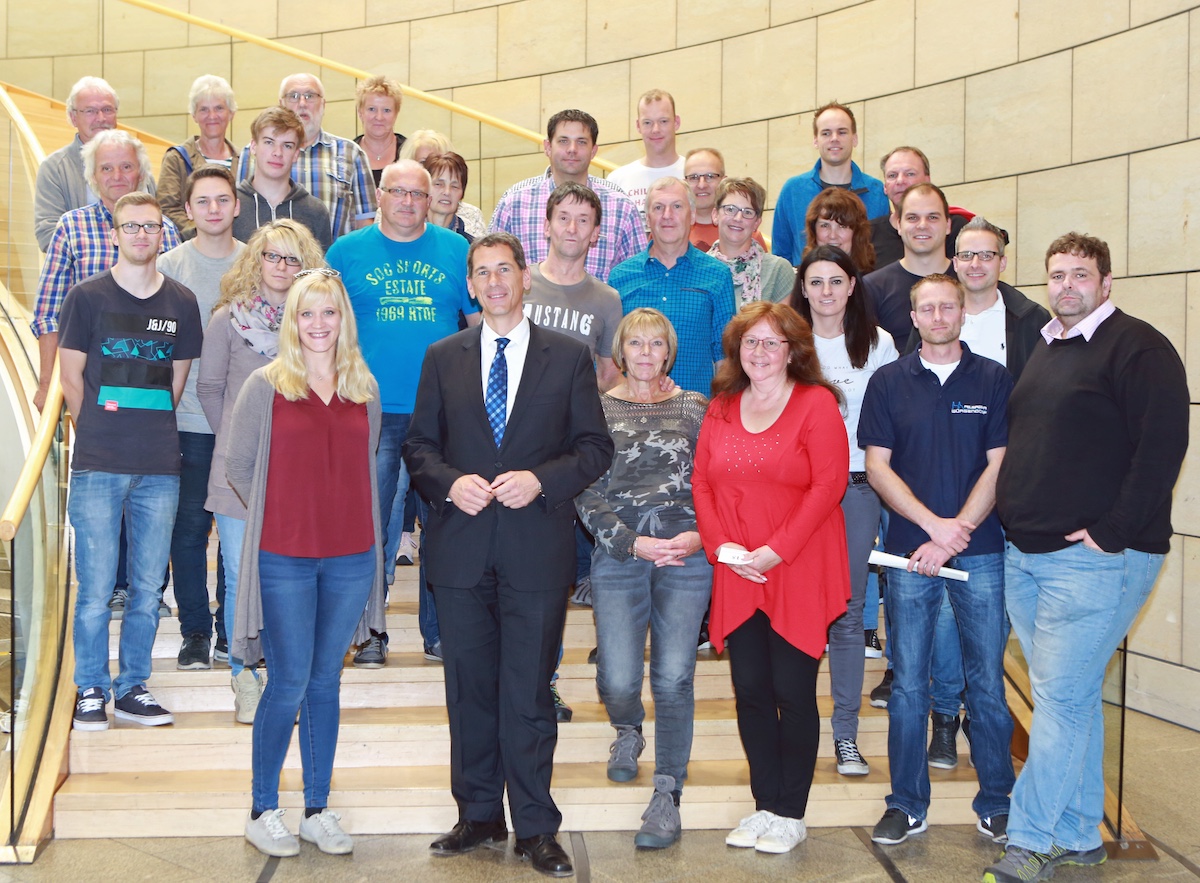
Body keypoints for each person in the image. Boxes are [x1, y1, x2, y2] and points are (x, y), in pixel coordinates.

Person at [404, 232, 613, 879]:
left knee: (527, 692)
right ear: (470, 284)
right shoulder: (443, 356)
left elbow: (593, 447)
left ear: (524, 278)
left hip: (535, 550)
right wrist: (447, 481)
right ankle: (477, 814)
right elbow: (418, 447)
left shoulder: (570, 356)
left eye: (505, 270)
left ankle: (535, 823)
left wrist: (542, 479)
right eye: (482, 272)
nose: (494, 281)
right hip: (462, 551)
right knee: (468, 690)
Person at [986, 233, 1189, 883]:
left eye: (1081, 274)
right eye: (1057, 274)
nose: (1067, 284)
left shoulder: (1139, 348)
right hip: (1030, 556)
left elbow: (1162, 445)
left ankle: (1030, 838)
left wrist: (1113, 530)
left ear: (1106, 284)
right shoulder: (1048, 345)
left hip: (1097, 559)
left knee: (1061, 699)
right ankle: (1078, 833)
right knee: (1068, 700)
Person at [227, 270, 385, 858]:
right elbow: (239, 468)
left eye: (329, 313)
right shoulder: (266, 386)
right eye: (306, 314)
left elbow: (362, 470)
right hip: (284, 558)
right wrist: (285, 514)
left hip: (349, 558)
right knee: (288, 681)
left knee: (325, 681)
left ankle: (316, 807)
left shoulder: (363, 388)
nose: (319, 325)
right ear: (291, 321)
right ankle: (262, 808)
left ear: (344, 320)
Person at [858, 274, 1015, 848]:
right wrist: (933, 528)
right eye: (928, 308)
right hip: (907, 554)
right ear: (915, 318)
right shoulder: (888, 381)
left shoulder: (995, 380)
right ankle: (906, 804)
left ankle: (997, 801)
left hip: (983, 552)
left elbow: (1000, 466)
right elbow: (877, 467)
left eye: (949, 306)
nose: (939, 315)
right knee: (908, 688)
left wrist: (957, 533)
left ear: (961, 314)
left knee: (987, 685)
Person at [692, 301, 850, 855]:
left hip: (797, 565)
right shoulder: (721, 406)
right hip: (739, 568)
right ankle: (764, 805)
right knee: (751, 692)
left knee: (793, 692)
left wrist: (774, 552)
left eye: (771, 343)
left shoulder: (816, 405)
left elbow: (827, 488)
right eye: (750, 342)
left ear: (793, 351)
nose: (759, 352)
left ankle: (792, 811)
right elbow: (703, 486)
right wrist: (723, 549)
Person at [326, 159, 480, 668]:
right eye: (399, 192)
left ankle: (440, 633)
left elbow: (481, 327)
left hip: (443, 413)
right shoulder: (346, 253)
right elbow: (324, 331)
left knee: (446, 524)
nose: (409, 202)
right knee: (371, 524)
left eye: (419, 193)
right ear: (379, 195)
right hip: (371, 411)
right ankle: (370, 629)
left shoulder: (458, 251)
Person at [62, 191, 202, 733]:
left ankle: (132, 686)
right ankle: (91, 687)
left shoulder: (183, 303)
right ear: (115, 233)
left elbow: (176, 383)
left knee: (147, 589)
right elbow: (71, 379)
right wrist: (98, 428)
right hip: (98, 462)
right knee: (96, 589)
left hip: (160, 465)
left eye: (150, 226)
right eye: (130, 226)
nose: (141, 234)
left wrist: (140, 429)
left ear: (162, 234)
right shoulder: (87, 298)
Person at [575, 307, 711, 849]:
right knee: (617, 679)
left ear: (669, 351)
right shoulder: (597, 409)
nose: (647, 353)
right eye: (637, 344)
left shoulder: (697, 407)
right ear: (621, 351)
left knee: (675, 677)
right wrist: (630, 542)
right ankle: (627, 730)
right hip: (621, 553)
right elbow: (585, 490)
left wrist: (701, 535)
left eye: (657, 344)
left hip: (687, 554)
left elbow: (717, 481)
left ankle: (667, 793)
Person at [197, 220, 326, 724]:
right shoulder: (228, 320)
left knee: (287, 578)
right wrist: (236, 440)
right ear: (256, 260)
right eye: (273, 257)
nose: (282, 267)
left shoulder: (316, 323)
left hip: (300, 476)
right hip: (237, 476)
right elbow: (209, 389)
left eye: (293, 259)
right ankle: (243, 674)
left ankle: (283, 676)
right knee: (238, 574)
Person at [790, 244, 898, 777]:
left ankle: (846, 735)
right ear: (802, 288)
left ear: (853, 285)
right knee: (797, 612)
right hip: (796, 492)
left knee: (849, 612)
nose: (827, 292)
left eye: (837, 281)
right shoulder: (787, 340)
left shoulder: (878, 344)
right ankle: (797, 730)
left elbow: (893, 421)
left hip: (856, 491)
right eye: (816, 282)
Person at [158, 166, 245, 672]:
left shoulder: (257, 264)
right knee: (189, 530)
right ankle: (195, 631)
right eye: (203, 201)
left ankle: (230, 629)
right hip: (188, 421)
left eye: (223, 199)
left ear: (237, 206)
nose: (214, 209)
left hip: (244, 426)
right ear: (188, 210)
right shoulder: (170, 266)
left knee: (236, 533)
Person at [33, 129, 181, 412]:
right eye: (106, 168)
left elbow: (176, 313)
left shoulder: (166, 231)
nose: (117, 176)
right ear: (93, 177)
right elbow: (48, 314)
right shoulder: (71, 228)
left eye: (126, 166)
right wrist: (47, 385)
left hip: (150, 386)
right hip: (86, 381)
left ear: (141, 174)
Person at [610, 177, 735, 394]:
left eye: (677, 206)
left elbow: (725, 356)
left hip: (698, 414)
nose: (667, 216)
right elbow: (608, 357)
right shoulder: (620, 277)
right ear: (648, 219)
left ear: (693, 215)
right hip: (633, 414)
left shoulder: (718, 275)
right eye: (658, 207)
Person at [490, 109, 647, 282]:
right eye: (563, 141)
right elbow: (491, 269)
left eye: (581, 142)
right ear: (548, 147)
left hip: (599, 308)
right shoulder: (514, 204)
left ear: (593, 151)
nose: (572, 149)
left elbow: (638, 277)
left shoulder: (621, 208)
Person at [235, 74, 377, 240]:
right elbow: (242, 207)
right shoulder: (249, 154)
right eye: (293, 96)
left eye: (310, 96)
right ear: (281, 103)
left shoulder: (351, 153)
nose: (302, 104)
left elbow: (365, 228)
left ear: (323, 104)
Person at [33, 76, 154, 251]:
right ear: (73, 117)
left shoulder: (137, 161)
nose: (101, 118)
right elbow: (48, 234)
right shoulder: (55, 168)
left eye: (107, 109)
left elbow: (156, 220)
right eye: (90, 111)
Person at [771, 102, 888, 264]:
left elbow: (882, 256)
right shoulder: (792, 191)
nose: (834, 139)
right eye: (826, 133)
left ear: (854, 139)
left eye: (842, 132)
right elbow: (781, 256)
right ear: (815, 140)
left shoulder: (877, 192)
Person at [864, 182, 954, 351]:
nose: (922, 225)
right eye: (912, 218)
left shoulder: (967, 282)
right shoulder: (872, 288)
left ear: (948, 225)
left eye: (932, 217)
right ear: (898, 225)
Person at [232, 108, 332, 251]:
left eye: (287, 146)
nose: (277, 153)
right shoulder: (231, 207)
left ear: (296, 154)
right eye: (269, 142)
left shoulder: (315, 212)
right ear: (253, 146)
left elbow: (321, 271)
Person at [158, 75, 238, 239]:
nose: (212, 116)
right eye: (204, 109)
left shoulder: (246, 159)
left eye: (219, 108)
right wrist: (204, 232)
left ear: (231, 113)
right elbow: (167, 209)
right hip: (192, 246)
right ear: (194, 115)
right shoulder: (177, 158)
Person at [870, 146, 968, 269]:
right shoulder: (868, 234)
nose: (900, 181)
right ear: (885, 186)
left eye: (910, 174)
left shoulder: (958, 228)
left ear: (927, 180)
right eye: (892, 175)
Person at [707, 177, 795, 305]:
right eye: (730, 209)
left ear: (757, 223)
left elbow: (783, 324)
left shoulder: (778, 271)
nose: (738, 218)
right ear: (715, 215)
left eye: (747, 212)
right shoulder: (698, 269)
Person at [607, 89, 685, 229]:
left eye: (663, 121)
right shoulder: (617, 181)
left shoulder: (694, 176)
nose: (655, 129)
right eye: (647, 122)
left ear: (676, 122)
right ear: (638, 126)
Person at [399, 130, 486, 236]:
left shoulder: (470, 221)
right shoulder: (399, 214)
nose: (447, 192)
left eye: (454, 186)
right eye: (424, 162)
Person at [802, 188, 877, 274]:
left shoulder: (872, 283)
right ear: (813, 230)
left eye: (842, 226)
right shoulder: (800, 279)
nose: (833, 236)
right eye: (825, 225)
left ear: (857, 233)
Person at [353, 75, 406, 185]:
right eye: (372, 109)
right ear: (360, 112)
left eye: (386, 110)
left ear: (396, 114)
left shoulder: (409, 152)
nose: (379, 117)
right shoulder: (347, 155)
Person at [422, 152, 474, 243]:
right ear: (425, 189)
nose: (447, 192)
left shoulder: (469, 248)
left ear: (462, 193)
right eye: (439, 184)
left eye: (454, 186)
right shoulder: (407, 238)